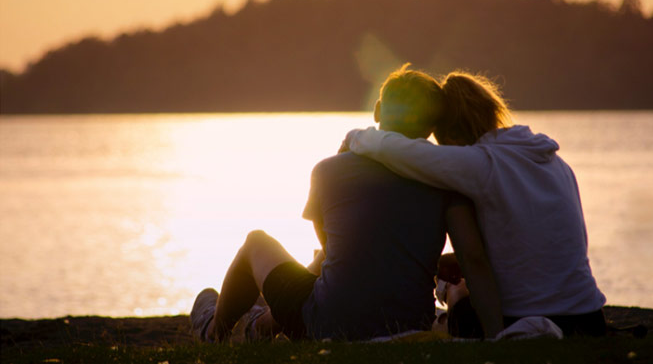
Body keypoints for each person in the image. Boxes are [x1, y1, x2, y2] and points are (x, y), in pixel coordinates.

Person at [190, 65, 464, 341]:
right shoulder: (443, 180)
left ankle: (214, 331)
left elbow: (330, 249)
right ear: (431, 127)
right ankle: (260, 326)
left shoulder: (328, 170)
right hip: (411, 322)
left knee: (256, 243)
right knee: (324, 274)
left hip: (330, 326)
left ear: (378, 110)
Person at [345, 70, 607, 337]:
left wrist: (356, 137)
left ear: (451, 135)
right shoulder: (554, 161)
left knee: (456, 291)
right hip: (589, 317)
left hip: (524, 318)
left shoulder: (481, 163)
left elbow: (397, 150)